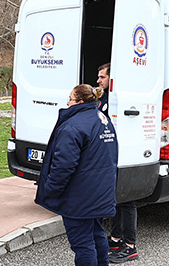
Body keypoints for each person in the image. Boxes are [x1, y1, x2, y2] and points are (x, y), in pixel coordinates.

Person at [34, 84, 118, 266]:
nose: (67, 103)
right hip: (99, 191)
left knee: (83, 244)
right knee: (97, 235)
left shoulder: (72, 126)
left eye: (70, 99)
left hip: (79, 196)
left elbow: (63, 166)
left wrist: (50, 190)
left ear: (80, 101)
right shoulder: (102, 118)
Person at [98, 64, 139, 264]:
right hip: (110, 155)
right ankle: (115, 239)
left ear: (111, 79)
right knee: (115, 199)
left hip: (125, 153)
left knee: (127, 201)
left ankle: (130, 246)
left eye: (102, 77)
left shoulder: (121, 100)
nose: (98, 81)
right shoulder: (104, 99)